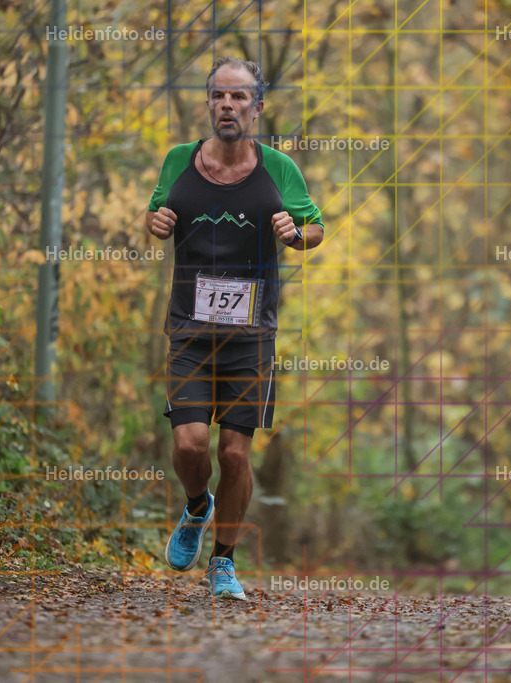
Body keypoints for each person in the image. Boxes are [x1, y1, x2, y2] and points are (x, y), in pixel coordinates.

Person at [145, 57, 324, 600]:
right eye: (219, 96)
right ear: (209, 103)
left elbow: (317, 229)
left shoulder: (280, 169)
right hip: (190, 332)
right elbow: (156, 216)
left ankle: (222, 563)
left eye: (240, 97)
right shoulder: (179, 161)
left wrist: (296, 235)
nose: (228, 105)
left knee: (235, 455)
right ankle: (198, 506)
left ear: (257, 107)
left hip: (251, 337)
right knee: (191, 444)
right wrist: (155, 222)